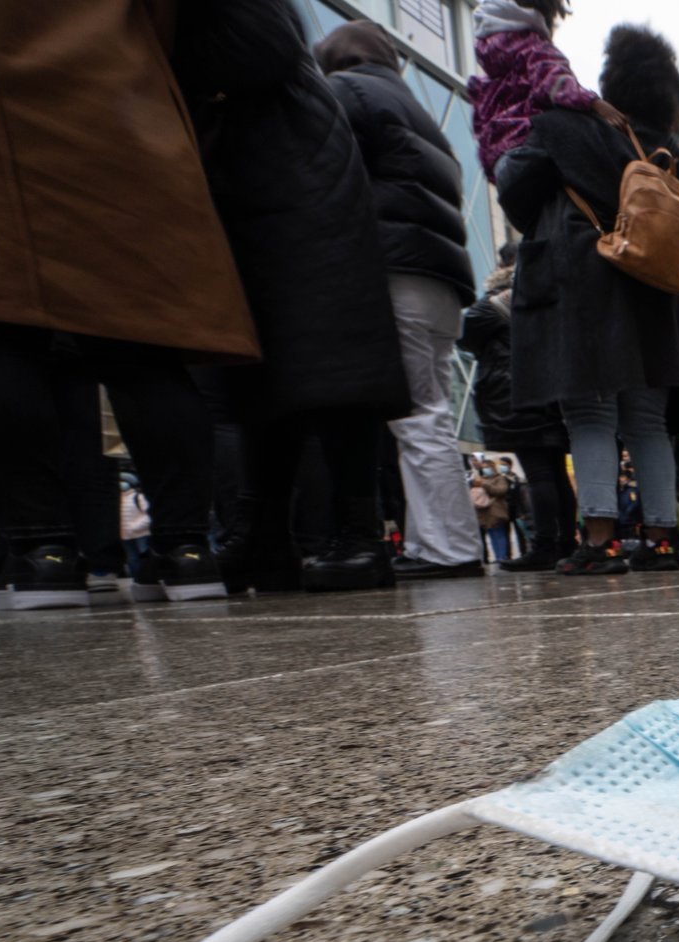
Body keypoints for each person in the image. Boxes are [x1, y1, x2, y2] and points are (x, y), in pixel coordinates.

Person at [0, 0, 255, 609]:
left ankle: (44, 554)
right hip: (115, 108)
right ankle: (188, 550)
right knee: (145, 346)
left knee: (6, 334)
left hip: (4, 121)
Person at [181, 0, 409, 596]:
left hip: (293, 185)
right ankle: (265, 533)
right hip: (271, 179)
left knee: (332, 367)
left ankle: (358, 534)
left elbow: (263, 47)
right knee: (264, 370)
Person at [497, 24, 679, 577]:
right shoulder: (677, 156)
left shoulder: (564, 129)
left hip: (584, 284)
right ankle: (662, 539)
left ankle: (600, 540)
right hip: (656, 292)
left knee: (589, 411)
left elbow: (514, 184)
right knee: (647, 417)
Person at [315, 21, 486, 581]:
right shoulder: (414, 109)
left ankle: (448, 550)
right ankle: (432, 542)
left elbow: (329, 179)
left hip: (397, 270)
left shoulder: (348, 93)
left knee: (417, 417)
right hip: (441, 280)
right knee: (428, 410)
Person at [462, 249, 577, 570]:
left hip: (517, 391)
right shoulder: (549, 296)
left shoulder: (499, 302)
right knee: (554, 472)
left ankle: (544, 546)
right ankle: (565, 542)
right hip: (551, 389)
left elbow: (465, 333)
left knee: (539, 471)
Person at [469, 0, 627, 179]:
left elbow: (480, 123)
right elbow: (555, 83)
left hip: (501, 165)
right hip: (532, 148)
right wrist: (596, 104)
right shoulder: (534, 46)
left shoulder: (492, 68)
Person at [471, 459, 515, 562]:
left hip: (496, 511)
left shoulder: (499, 479)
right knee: (492, 535)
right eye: (484, 467)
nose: (485, 469)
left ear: (492, 467)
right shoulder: (480, 479)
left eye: (487, 467)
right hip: (484, 512)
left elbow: (500, 491)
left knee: (498, 534)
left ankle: (502, 557)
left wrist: (485, 484)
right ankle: (497, 557)